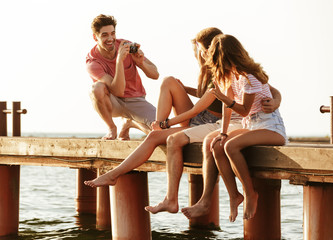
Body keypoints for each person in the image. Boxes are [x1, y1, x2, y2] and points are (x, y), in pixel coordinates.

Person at [84, 27, 225, 188]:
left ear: (209, 50)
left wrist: (166, 124)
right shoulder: (207, 69)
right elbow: (208, 96)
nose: (196, 53)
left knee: (154, 136)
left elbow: (196, 109)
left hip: (208, 123)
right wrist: (185, 89)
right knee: (169, 81)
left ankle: (114, 174)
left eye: (198, 50)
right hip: (198, 117)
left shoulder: (221, 73)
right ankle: (153, 127)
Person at [184, 34, 287, 222]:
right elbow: (227, 109)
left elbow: (245, 110)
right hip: (252, 126)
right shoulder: (231, 76)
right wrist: (223, 132)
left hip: (270, 126)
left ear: (224, 57)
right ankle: (234, 196)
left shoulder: (249, 77)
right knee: (217, 145)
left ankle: (250, 194)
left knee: (231, 146)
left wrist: (224, 98)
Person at [86, 14, 159, 140]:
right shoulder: (93, 62)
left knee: (160, 131)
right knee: (96, 88)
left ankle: (130, 122)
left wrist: (141, 64)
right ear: (95, 37)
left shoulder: (126, 46)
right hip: (114, 103)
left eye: (112, 33)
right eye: (104, 35)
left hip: (136, 99)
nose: (110, 38)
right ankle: (112, 128)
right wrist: (119, 61)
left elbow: (155, 74)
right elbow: (118, 91)